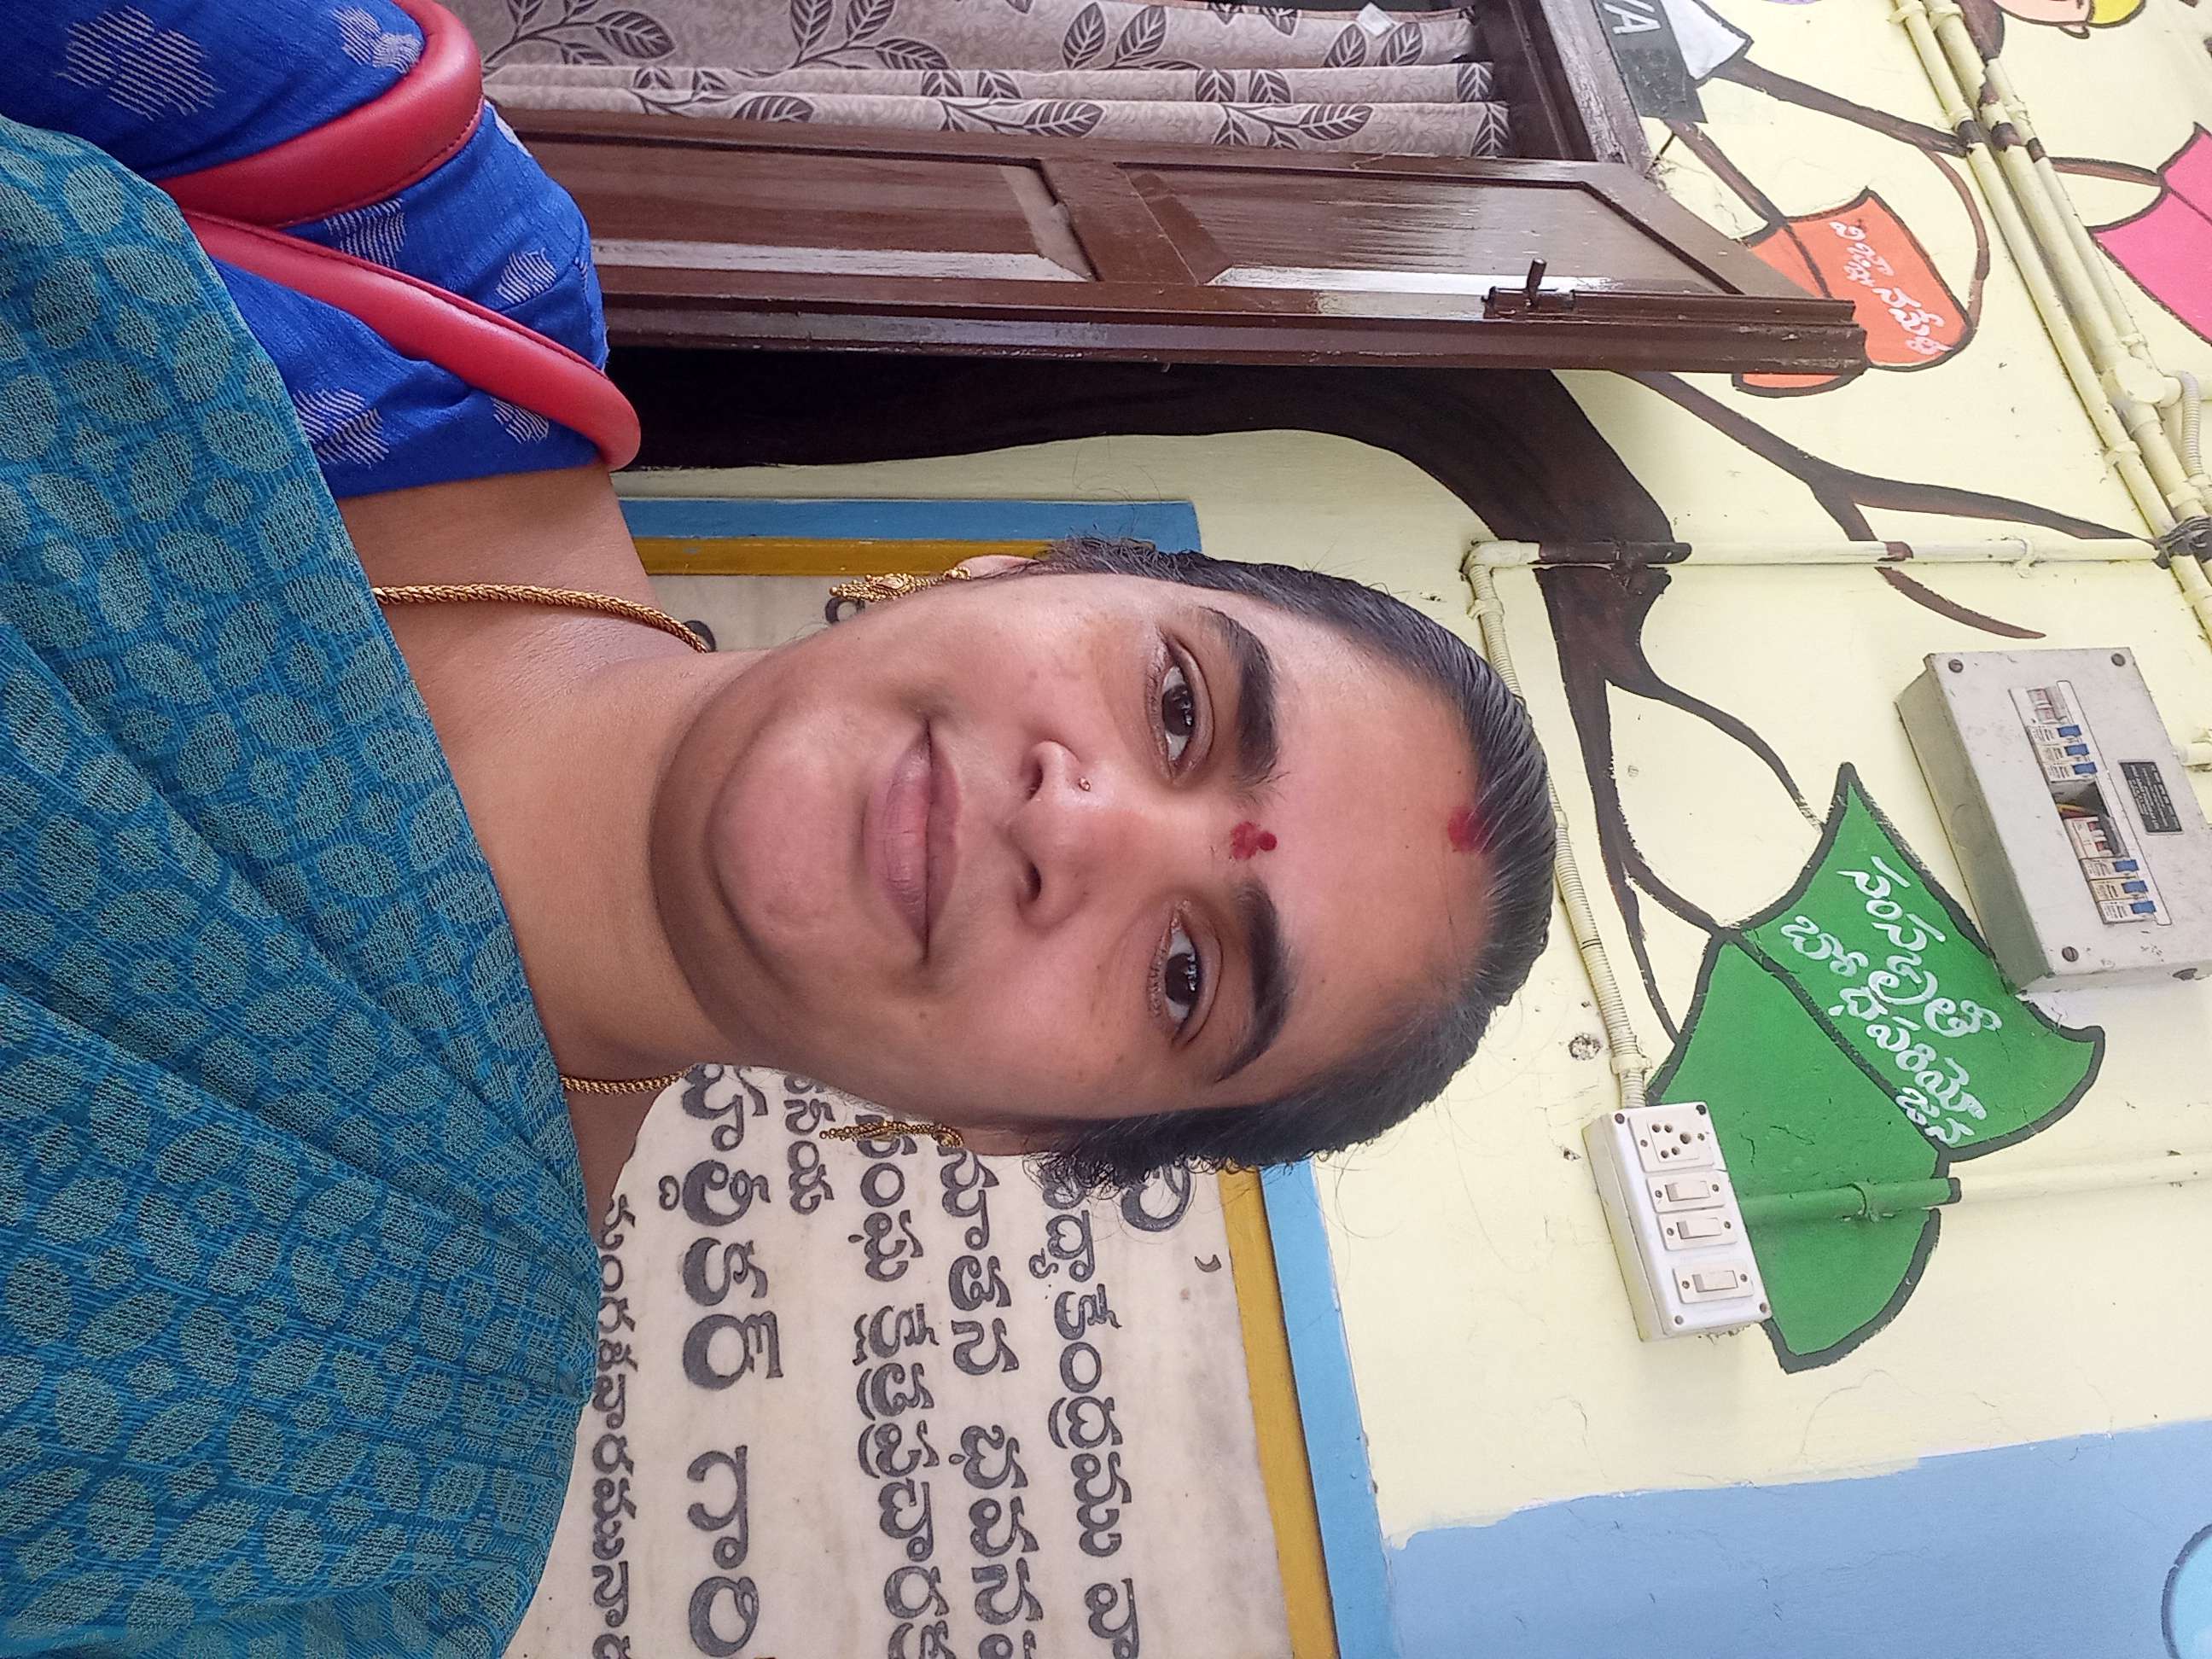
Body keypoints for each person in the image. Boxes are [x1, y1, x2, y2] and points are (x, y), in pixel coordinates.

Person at [0, 0, 1552, 1650]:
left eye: (1187, 975)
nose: (1087, 828)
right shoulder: (405, 232)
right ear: (1015, 571)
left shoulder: (360, 1506)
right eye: (1180, 707)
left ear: (1022, 1134)